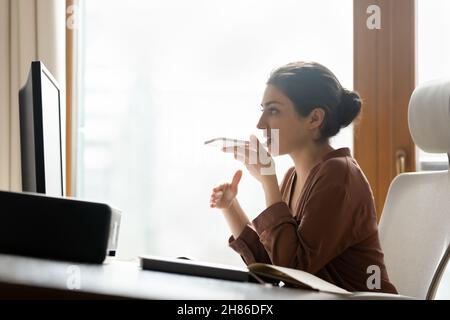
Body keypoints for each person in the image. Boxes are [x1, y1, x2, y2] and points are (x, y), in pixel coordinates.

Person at [209, 61, 397, 293]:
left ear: (314, 119)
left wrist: (268, 180)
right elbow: (273, 267)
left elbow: (294, 269)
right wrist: (231, 207)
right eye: (262, 110)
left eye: (274, 110)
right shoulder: (293, 177)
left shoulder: (340, 175)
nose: (260, 124)